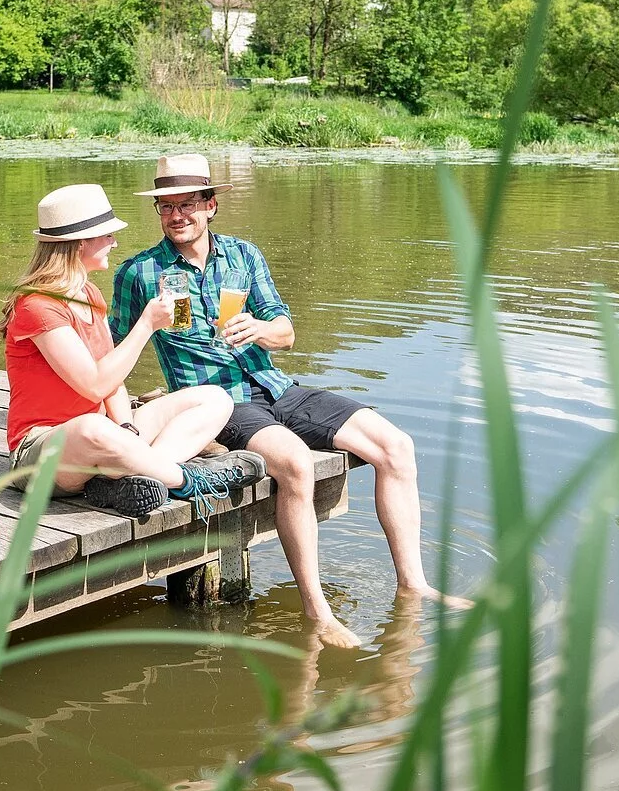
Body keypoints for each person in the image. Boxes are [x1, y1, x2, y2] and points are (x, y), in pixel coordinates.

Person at [110, 155, 453, 648]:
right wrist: (125, 421)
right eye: (166, 206)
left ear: (211, 206)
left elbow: (286, 331)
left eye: (188, 204)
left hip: (274, 384)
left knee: (396, 446)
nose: (177, 215)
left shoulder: (243, 256)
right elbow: (112, 352)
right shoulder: (140, 272)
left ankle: (414, 586)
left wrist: (259, 330)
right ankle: (318, 611)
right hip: (218, 403)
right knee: (295, 462)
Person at [3, 182, 264, 518]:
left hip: (104, 434)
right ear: (81, 242)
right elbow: (94, 384)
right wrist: (146, 325)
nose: (115, 242)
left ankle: (133, 475)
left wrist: (127, 429)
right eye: (107, 235)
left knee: (214, 398)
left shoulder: (89, 294)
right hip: (43, 450)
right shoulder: (37, 305)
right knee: (90, 429)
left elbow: (111, 378)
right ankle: (186, 479)